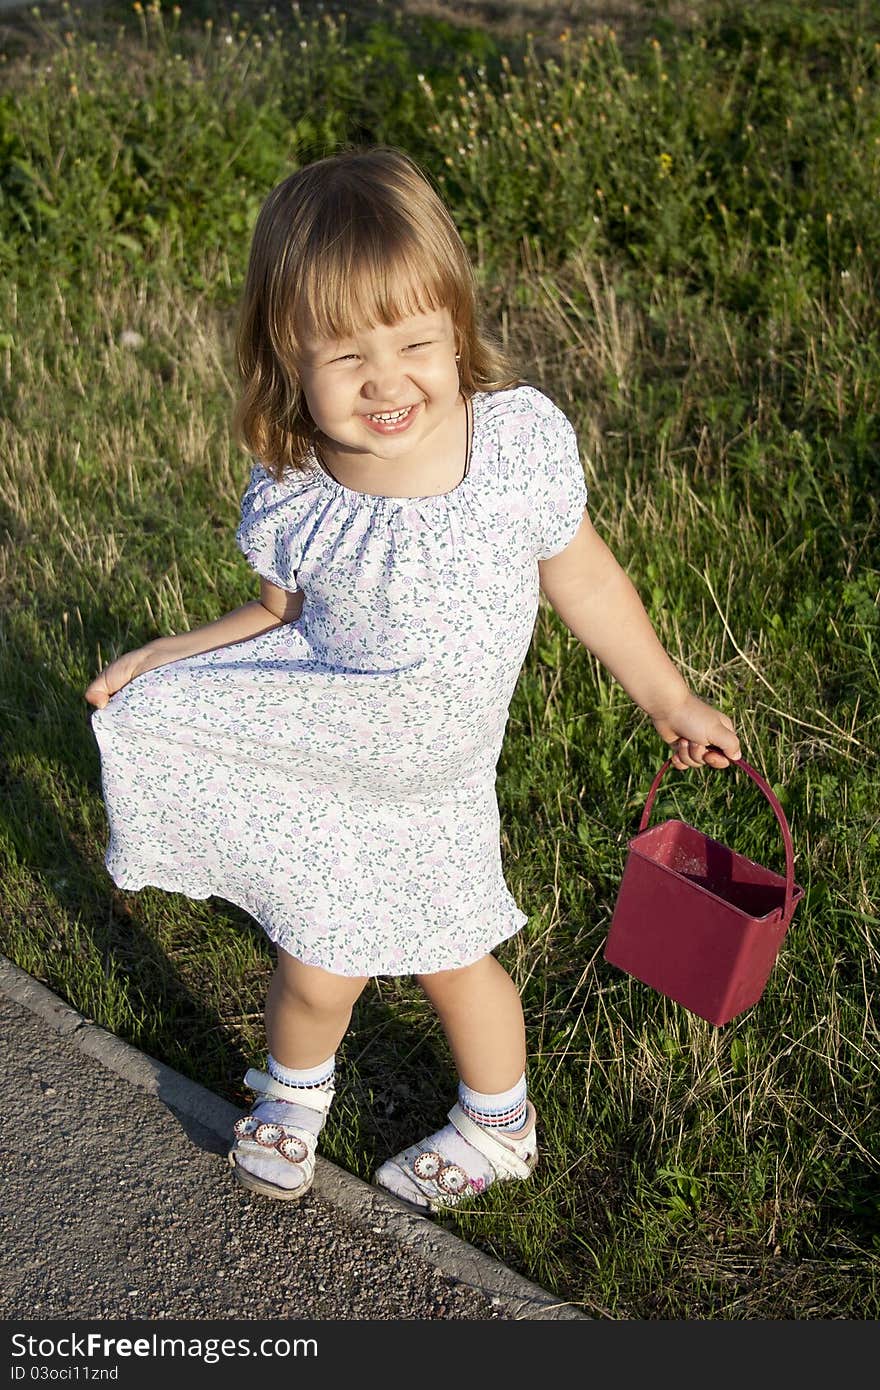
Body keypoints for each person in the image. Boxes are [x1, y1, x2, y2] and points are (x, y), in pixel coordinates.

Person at [85, 146, 741, 1212]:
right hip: (334, 763)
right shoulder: (300, 488)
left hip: (437, 783)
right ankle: (292, 1096)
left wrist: (666, 696)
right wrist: (163, 654)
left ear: (456, 325)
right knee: (315, 960)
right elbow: (275, 617)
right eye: (343, 356)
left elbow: (580, 574)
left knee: (456, 962)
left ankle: (501, 1125)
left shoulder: (514, 448)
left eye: (415, 342)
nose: (386, 381)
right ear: (284, 356)